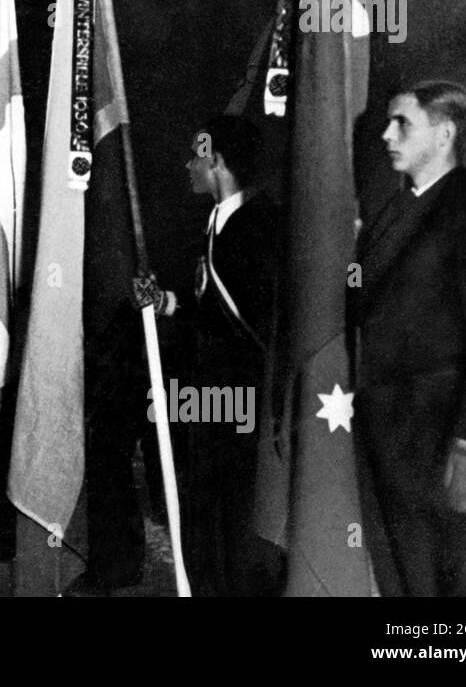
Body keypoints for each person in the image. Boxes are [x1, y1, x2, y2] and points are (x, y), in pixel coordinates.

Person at [353, 81, 466, 596]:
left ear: (445, 133)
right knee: (404, 584)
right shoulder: (388, 216)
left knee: (461, 589)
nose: (387, 134)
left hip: (442, 441)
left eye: (402, 123)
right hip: (385, 437)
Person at [134, 114, 284, 595]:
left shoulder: (260, 224)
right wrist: (164, 303)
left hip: (242, 394)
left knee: (234, 512)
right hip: (208, 391)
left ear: (217, 162)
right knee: (203, 509)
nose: (187, 165)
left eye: (196, 157)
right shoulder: (213, 222)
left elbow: (254, 322)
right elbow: (208, 309)